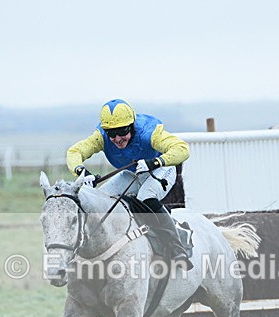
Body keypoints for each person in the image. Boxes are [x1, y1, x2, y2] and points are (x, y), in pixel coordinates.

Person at [67, 98, 192, 270]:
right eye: (112, 134)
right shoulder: (100, 137)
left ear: (132, 126)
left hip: (161, 170)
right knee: (102, 201)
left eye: (122, 131)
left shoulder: (149, 132)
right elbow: (75, 152)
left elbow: (182, 149)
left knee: (145, 197)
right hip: (134, 173)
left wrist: (154, 163)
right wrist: (81, 171)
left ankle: (178, 247)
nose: (117, 138)